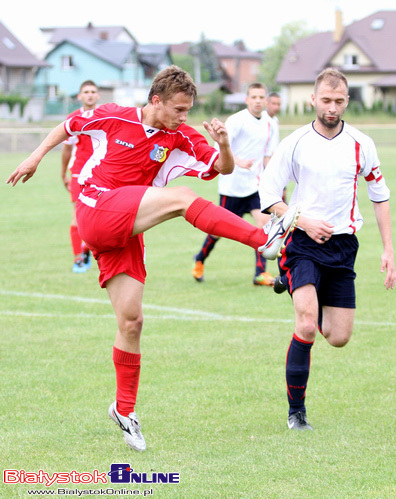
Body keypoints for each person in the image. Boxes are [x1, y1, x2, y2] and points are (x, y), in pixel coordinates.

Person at [7, 65, 299, 451]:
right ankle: (263, 239)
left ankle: (124, 410)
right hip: (95, 207)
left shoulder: (181, 136)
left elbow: (221, 168)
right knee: (181, 198)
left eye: (189, 110)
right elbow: (68, 125)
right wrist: (35, 157)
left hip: (127, 228)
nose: (184, 116)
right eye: (178, 109)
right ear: (156, 101)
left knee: (132, 321)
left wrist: (225, 145)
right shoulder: (115, 115)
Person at [258, 68, 396, 431]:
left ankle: (291, 284)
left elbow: (379, 197)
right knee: (305, 326)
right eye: (325, 100)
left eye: (338, 101)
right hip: (303, 243)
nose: (331, 108)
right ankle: (296, 413)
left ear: (347, 101)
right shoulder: (296, 142)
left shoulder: (361, 144)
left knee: (338, 337)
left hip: (344, 246)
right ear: (313, 100)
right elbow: (268, 196)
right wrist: (302, 221)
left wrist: (388, 250)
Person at [192, 83, 280, 286]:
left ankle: (260, 273)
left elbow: (268, 157)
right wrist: (239, 162)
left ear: (266, 100)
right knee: (217, 231)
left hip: (255, 187)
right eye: (254, 97)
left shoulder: (271, 124)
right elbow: (219, 145)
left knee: (264, 225)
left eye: (261, 97)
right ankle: (200, 259)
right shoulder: (237, 120)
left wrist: (275, 181)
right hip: (232, 187)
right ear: (247, 99)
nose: (258, 100)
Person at [61, 80, 100, 273]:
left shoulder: (107, 116)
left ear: (98, 96)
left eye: (93, 91)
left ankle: (87, 248)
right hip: (78, 173)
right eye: (86, 92)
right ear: (80, 96)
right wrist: (63, 173)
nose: (90, 95)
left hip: (102, 173)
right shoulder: (74, 118)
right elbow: (67, 148)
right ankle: (78, 259)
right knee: (77, 217)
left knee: (100, 217)